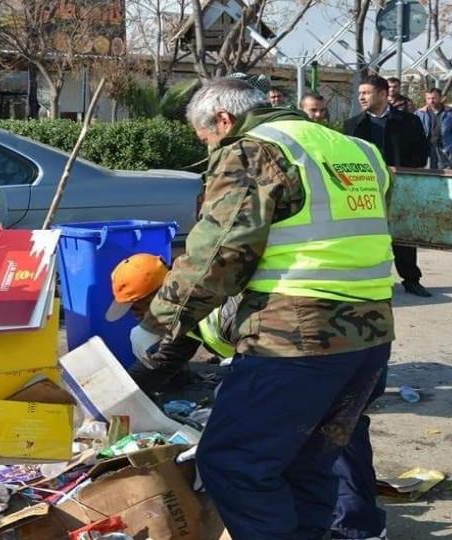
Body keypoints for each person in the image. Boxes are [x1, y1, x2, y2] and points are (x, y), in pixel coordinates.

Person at [130, 78, 395, 539]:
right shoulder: (356, 150)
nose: (211, 149)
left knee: (233, 463)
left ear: (225, 121)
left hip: (295, 339)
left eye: (207, 139)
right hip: (369, 338)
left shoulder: (255, 151)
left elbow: (219, 252)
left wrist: (161, 322)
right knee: (306, 466)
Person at [345, 74, 432, 297]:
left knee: (403, 235)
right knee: (368, 235)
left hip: (401, 187)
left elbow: (421, 153)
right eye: (359, 93)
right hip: (365, 191)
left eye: (366, 93)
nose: (361, 97)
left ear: (383, 94)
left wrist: (399, 169)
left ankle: (411, 279)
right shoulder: (353, 125)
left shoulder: (409, 121)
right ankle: (369, 278)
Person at [105, 254, 238, 394]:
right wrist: (116, 396)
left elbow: (259, 363)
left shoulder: (227, 312)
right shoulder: (183, 315)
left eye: (137, 307)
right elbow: (163, 361)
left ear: (160, 295)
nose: (136, 316)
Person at [415, 87, 452, 169]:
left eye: (434, 98)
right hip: (427, 151)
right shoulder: (420, 113)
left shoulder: (451, 113)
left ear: (440, 98)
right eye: (428, 98)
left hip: (445, 150)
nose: (431, 101)